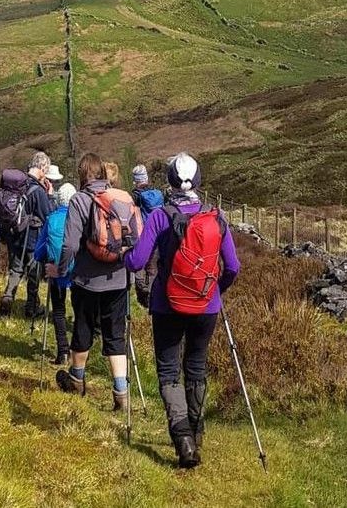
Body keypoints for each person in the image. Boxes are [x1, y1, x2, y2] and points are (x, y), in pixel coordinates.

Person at [123, 152, 240, 470]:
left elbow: (136, 261)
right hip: (207, 304)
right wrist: (215, 290)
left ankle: (183, 440)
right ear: (199, 181)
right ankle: (196, 432)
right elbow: (233, 266)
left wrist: (123, 254)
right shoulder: (216, 217)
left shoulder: (161, 216)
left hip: (167, 304)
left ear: (170, 182)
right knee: (197, 368)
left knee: (169, 371)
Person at [47, 152, 141, 412]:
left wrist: (61, 271)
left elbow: (69, 245)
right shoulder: (121, 199)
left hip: (87, 281)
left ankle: (77, 379)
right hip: (119, 279)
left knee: (83, 328)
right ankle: (121, 392)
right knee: (115, 334)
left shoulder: (80, 200)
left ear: (82, 174)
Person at [0, 152, 53, 318]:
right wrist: (50, 196)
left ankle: (8, 297)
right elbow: (48, 214)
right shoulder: (38, 190)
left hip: (15, 236)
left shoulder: (19, 185)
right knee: (34, 274)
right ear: (42, 168)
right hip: (33, 238)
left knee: (16, 270)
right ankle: (31, 308)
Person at [33, 178, 76, 365]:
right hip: (77, 271)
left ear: (58, 200)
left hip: (55, 268)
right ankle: (79, 352)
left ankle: (62, 352)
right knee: (79, 311)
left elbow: (38, 251)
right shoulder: (79, 218)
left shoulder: (51, 219)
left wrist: (45, 259)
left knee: (58, 311)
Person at [130, 163, 164, 308]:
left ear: (136, 180)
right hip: (159, 233)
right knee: (152, 266)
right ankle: (152, 297)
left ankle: (142, 295)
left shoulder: (136, 196)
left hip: (142, 233)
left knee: (139, 265)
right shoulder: (159, 194)